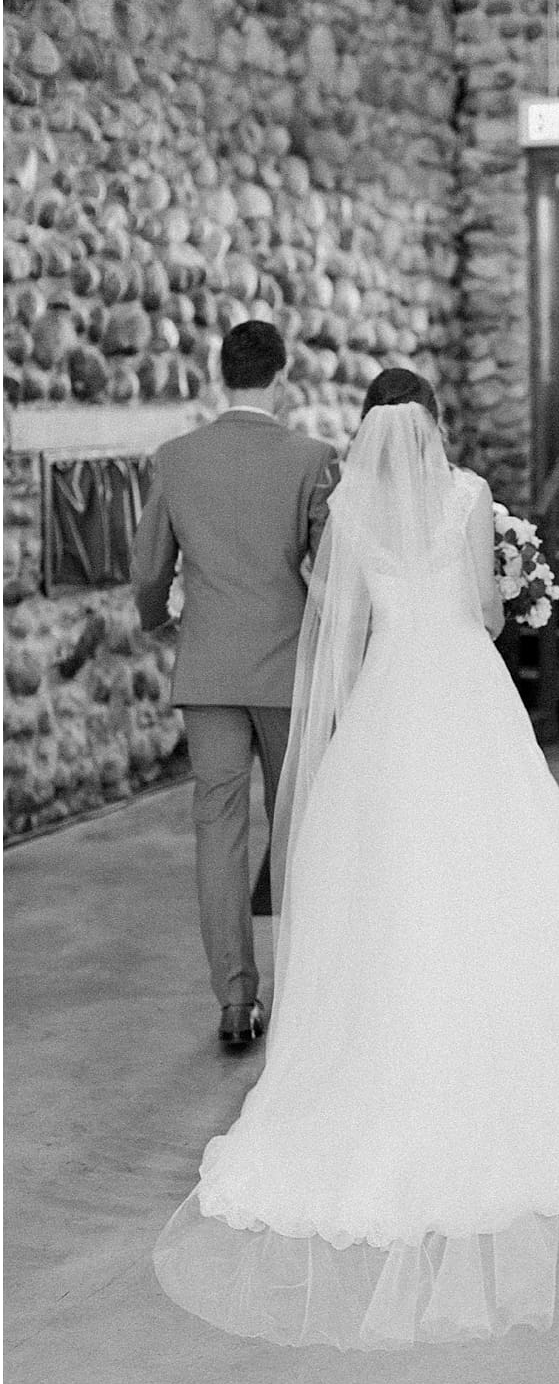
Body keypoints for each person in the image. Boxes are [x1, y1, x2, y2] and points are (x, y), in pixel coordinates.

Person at [152, 376, 559, 1348]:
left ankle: (382, 1042)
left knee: (384, 880)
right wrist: (508, 580)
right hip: (463, 692)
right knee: (500, 861)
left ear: (368, 429)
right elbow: (482, 613)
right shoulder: (467, 494)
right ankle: (503, 1027)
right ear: (431, 423)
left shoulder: (347, 504)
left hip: (387, 698)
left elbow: (339, 615)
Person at [132, 321, 338, 1046]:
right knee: (298, 831)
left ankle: (233, 1000)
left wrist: (160, 620)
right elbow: (334, 570)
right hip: (289, 672)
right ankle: (306, 993)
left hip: (210, 668)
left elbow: (150, 569)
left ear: (223, 375)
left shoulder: (177, 458)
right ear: (281, 377)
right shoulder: (312, 458)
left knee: (217, 830)